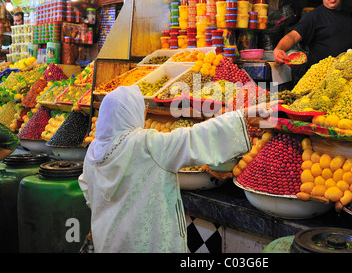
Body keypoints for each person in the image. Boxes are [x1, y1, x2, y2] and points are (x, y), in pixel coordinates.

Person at [78, 85, 278, 253]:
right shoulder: (145, 144)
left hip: (108, 240)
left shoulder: (94, 150)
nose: (145, 111)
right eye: (142, 107)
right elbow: (192, 138)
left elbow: (88, 192)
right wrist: (244, 116)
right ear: (131, 112)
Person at [273, 0, 352, 84]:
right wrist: (279, 48)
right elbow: (293, 36)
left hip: (350, 77)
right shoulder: (313, 17)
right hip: (323, 79)